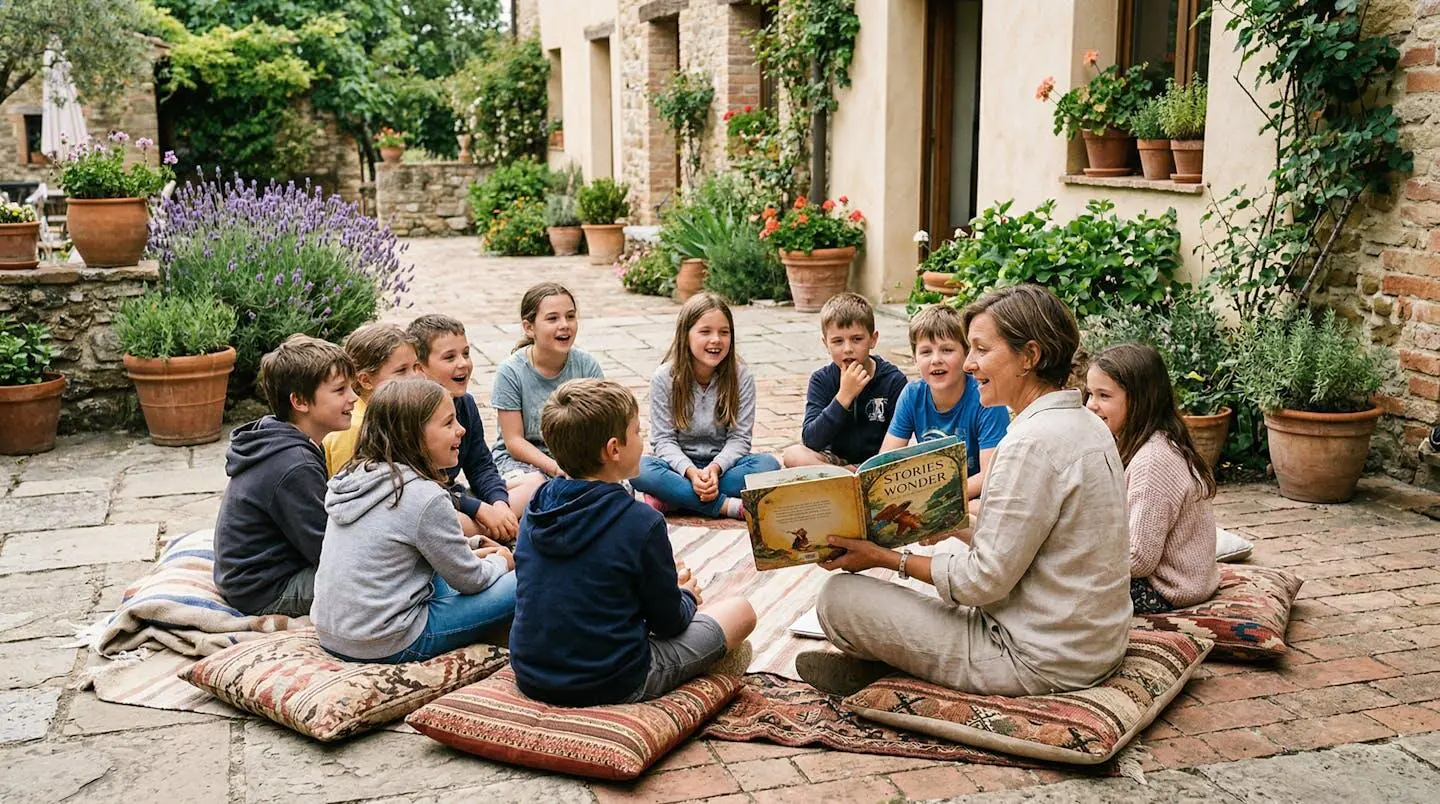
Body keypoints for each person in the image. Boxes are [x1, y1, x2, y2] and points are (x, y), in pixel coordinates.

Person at [796, 284, 1131, 697]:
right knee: (952, 547)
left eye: (980, 350)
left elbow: (981, 583)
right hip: (1092, 643)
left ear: (1029, 356)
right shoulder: (1087, 423)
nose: (969, 365)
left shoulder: (1029, 445)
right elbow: (1030, 538)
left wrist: (884, 558)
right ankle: (894, 663)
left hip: (1036, 659)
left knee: (838, 598)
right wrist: (953, 524)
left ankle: (894, 673)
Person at [509, 379, 756, 705]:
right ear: (613, 449)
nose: (643, 442)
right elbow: (668, 623)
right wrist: (686, 596)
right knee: (741, 612)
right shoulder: (641, 521)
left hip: (532, 674)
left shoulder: (538, 504)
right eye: (638, 433)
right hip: (616, 679)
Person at [314, 378, 516, 663]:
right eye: (448, 424)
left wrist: (469, 545)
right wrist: (502, 561)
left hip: (333, 633)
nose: (462, 430)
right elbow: (473, 580)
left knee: (450, 573)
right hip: (388, 641)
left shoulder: (357, 475)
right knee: (525, 580)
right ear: (413, 436)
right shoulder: (423, 496)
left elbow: (396, 541)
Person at [214, 335, 357, 616]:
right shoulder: (294, 465)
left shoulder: (281, 437)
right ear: (300, 401)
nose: (353, 397)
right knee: (384, 580)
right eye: (340, 390)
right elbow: (328, 551)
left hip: (257, 575)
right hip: (265, 590)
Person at [1086, 342, 1221, 613]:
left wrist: (1080, 558)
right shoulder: (1151, 440)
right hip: (1178, 578)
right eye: (1089, 394)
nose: (1091, 405)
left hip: (1168, 589)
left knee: (1057, 588)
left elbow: (1138, 559)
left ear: (1139, 400)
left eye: (1104, 396)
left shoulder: (1153, 461)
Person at [631, 292, 781, 519]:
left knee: (768, 465)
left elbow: (740, 439)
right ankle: (727, 506)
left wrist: (714, 469)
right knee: (638, 468)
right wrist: (690, 472)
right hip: (677, 467)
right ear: (686, 335)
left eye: (724, 332)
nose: (716, 340)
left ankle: (673, 499)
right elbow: (663, 440)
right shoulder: (664, 377)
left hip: (724, 469)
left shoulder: (741, 377)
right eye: (705, 331)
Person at [408, 313, 534, 544]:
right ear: (420, 367)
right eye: (449, 357)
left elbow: (480, 465)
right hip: (428, 505)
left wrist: (498, 503)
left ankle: (494, 526)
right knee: (449, 520)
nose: (463, 363)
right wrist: (477, 508)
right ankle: (491, 530)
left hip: (454, 496)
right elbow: (415, 490)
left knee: (535, 483)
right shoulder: (410, 413)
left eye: (466, 353)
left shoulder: (465, 404)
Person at [490, 282, 605, 512]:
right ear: (529, 327)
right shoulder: (511, 372)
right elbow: (514, 442)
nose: (564, 325)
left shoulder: (586, 366)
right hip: (523, 463)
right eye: (552, 319)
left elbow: (600, 426)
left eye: (570, 316)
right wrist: (556, 469)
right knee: (538, 491)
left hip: (573, 458)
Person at [882, 304, 1009, 498]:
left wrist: (938, 497)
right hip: (931, 496)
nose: (936, 360)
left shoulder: (986, 398)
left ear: (966, 354)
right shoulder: (912, 394)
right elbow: (885, 461)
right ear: (915, 358)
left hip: (975, 496)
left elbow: (989, 476)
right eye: (925, 352)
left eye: (947, 350)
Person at [783, 292, 908, 469]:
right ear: (826, 343)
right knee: (793, 455)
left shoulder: (893, 381)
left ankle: (855, 478)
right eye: (837, 341)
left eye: (857, 339)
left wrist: (877, 465)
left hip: (878, 461)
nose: (848, 349)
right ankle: (845, 476)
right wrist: (844, 396)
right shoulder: (821, 380)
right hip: (834, 462)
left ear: (873, 339)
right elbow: (811, 440)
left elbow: (900, 439)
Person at [323, 323, 419, 477]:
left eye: (415, 367)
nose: (415, 377)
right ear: (366, 380)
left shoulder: (393, 414)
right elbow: (347, 491)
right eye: (401, 371)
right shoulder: (353, 429)